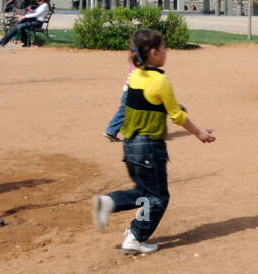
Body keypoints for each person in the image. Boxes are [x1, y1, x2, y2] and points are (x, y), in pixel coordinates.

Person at [91, 29, 216, 254]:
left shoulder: (135, 76)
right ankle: (127, 225)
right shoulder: (161, 80)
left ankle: (132, 230)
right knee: (157, 197)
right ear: (155, 53)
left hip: (130, 145)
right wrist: (199, 133)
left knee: (146, 191)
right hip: (149, 148)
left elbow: (154, 104)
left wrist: (172, 107)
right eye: (164, 48)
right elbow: (177, 116)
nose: (166, 52)